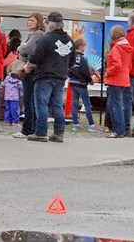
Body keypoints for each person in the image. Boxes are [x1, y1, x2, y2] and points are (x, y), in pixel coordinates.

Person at [24, 11, 74, 143]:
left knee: (41, 104)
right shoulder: (70, 41)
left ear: (51, 25)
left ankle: (41, 132)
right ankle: (59, 132)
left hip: (44, 76)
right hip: (61, 76)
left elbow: (35, 57)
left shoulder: (46, 39)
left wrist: (27, 67)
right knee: (57, 104)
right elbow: (72, 61)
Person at [13, 13, 46, 139]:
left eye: (32, 20)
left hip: (31, 71)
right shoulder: (30, 35)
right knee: (29, 99)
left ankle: (28, 128)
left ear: (38, 22)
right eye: (28, 20)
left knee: (29, 99)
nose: (29, 23)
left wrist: (21, 47)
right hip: (28, 70)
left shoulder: (38, 34)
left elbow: (26, 49)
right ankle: (30, 127)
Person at [104, 26, 133, 138]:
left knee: (115, 105)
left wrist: (108, 72)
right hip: (124, 78)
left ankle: (118, 130)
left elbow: (117, 64)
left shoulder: (116, 48)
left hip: (115, 79)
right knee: (117, 104)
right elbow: (129, 65)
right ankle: (121, 130)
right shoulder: (127, 47)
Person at [69, 38, 96, 131]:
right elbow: (85, 71)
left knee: (75, 103)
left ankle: (75, 124)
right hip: (81, 83)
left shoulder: (71, 57)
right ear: (80, 46)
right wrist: (90, 80)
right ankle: (92, 125)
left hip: (73, 82)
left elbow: (68, 69)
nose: (85, 48)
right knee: (87, 104)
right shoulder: (83, 58)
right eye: (84, 46)